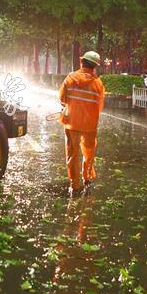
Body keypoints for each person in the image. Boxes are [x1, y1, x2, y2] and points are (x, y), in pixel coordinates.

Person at [58, 51, 105, 192]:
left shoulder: (70, 78)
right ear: (95, 66)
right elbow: (100, 106)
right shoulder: (98, 84)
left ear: (81, 62)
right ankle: (87, 176)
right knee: (89, 152)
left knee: (73, 154)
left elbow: (62, 99)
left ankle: (74, 184)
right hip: (90, 125)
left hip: (72, 122)